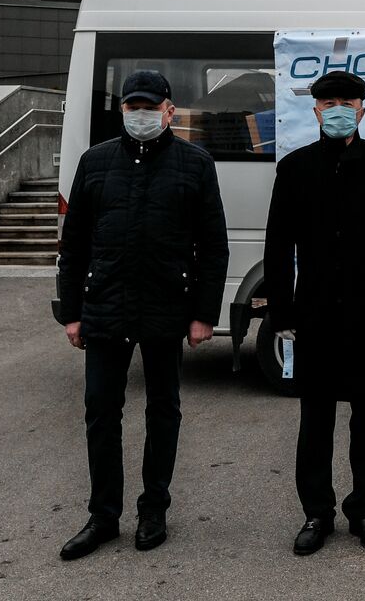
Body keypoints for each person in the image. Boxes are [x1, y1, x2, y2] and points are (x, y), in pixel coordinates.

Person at [55, 70, 229, 560]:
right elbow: (75, 246)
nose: (141, 115)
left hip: (166, 308)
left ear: (169, 111)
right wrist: (72, 313)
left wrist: (203, 315)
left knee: (163, 411)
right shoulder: (95, 162)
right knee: (101, 413)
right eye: (133, 108)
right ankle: (103, 517)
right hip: (105, 308)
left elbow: (213, 247)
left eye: (150, 107)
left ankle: (154, 510)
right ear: (123, 112)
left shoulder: (195, 164)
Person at [263, 70, 365, 556]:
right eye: (328, 102)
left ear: (361, 109)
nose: (337, 109)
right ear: (315, 110)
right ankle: (316, 512)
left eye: (346, 102)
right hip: (314, 314)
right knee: (315, 418)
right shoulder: (294, 169)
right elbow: (278, 247)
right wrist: (282, 310)